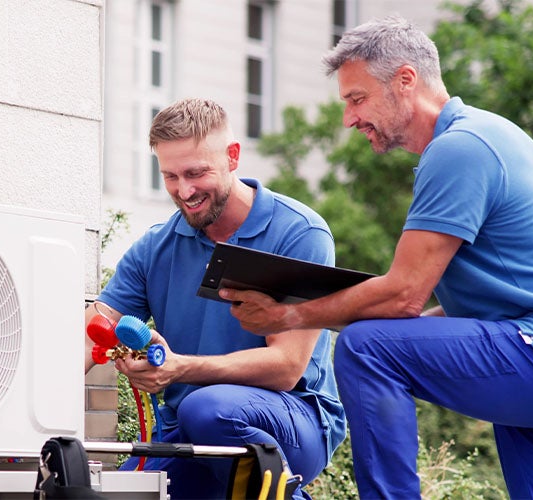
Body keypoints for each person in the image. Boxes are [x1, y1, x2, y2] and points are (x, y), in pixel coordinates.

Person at [221, 15, 533, 499]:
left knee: (369, 348)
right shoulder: (483, 136)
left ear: (406, 80)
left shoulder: (460, 149)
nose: (348, 119)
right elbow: (497, 290)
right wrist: (407, 327)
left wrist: (289, 314)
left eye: (357, 99)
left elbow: (403, 296)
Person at [84, 98, 346, 499]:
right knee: (124, 492)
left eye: (196, 173)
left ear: (233, 157)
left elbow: (287, 367)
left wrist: (178, 369)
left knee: (206, 409)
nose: (183, 191)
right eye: (170, 176)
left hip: (294, 420)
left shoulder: (299, 234)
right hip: (187, 428)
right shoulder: (156, 248)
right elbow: (89, 334)